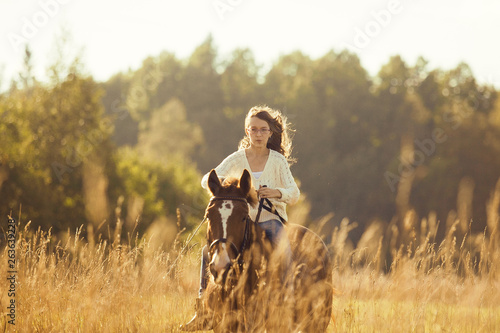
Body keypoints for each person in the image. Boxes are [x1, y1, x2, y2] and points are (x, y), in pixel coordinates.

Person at [180, 105, 300, 331]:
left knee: (283, 250)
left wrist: (276, 192)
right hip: (240, 223)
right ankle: (202, 310)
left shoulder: (277, 161)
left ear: (270, 133)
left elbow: (294, 194)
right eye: (253, 129)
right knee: (208, 252)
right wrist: (226, 184)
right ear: (247, 132)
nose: (258, 134)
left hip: (268, 219)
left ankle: (286, 303)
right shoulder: (236, 158)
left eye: (263, 130)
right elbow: (207, 179)